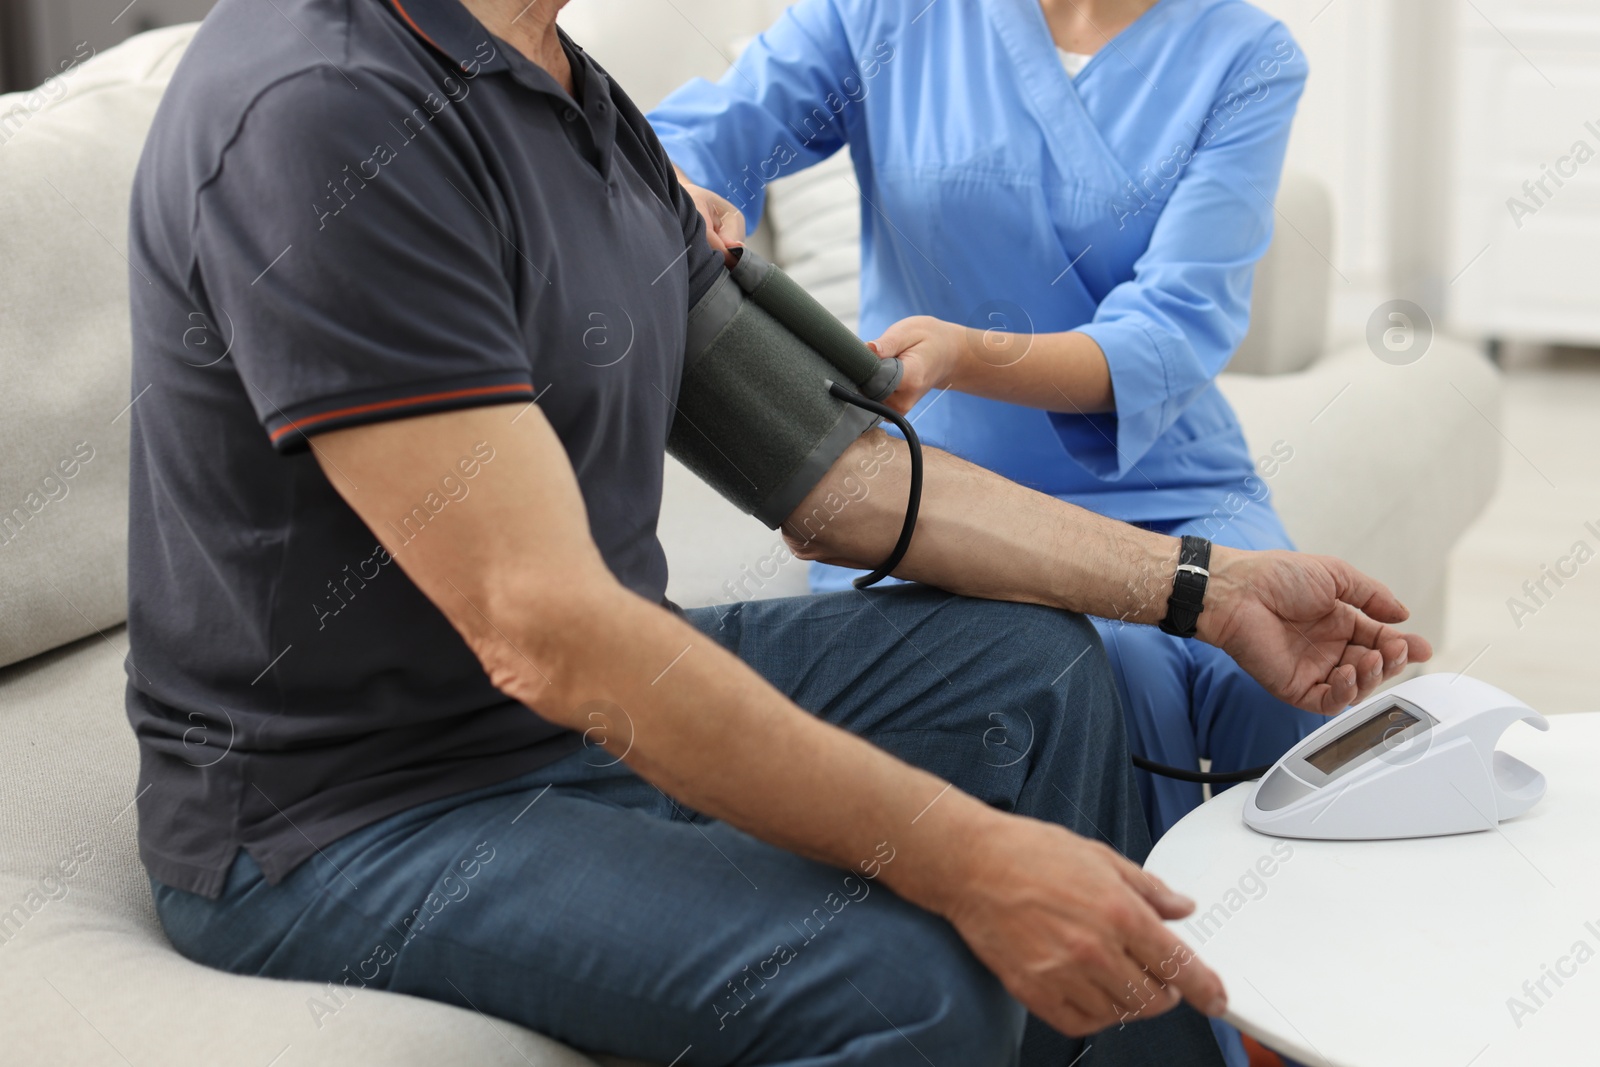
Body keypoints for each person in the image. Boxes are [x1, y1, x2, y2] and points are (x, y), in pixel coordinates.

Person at [125, 1, 1425, 1065]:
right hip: (354, 809)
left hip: (552, 721)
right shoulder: (325, 114)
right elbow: (551, 631)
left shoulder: (575, 97)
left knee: (1034, 669)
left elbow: (837, 479)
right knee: (912, 980)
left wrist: (1204, 583)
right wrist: (965, 856)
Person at [648, 0, 1326, 851]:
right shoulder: (886, 14)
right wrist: (682, 192)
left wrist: (971, 354)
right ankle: (1141, 966)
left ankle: (1279, 957)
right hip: (936, 486)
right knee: (1120, 670)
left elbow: (1175, 326)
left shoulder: (1246, 54)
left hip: (1166, 474)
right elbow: (708, 131)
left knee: (1277, 673)